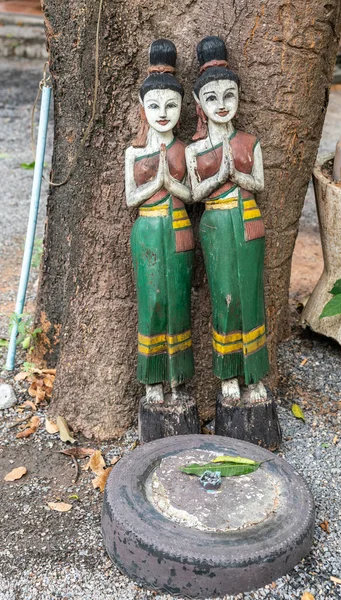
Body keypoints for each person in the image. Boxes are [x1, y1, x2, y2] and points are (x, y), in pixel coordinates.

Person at [185, 36, 268, 403]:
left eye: (229, 96)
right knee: (227, 298)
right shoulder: (195, 149)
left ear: (238, 97)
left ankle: (254, 374)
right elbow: (194, 194)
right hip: (216, 224)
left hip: (248, 220)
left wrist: (237, 174)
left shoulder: (249, 142)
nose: (222, 105)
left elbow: (258, 183)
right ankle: (227, 375)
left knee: (251, 296)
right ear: (199, 103)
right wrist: (221, 176)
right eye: (213, 97)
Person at [125, 39, 194, 405]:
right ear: (143, 108)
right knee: (152, 301)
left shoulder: (185, 150)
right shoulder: (135, 152)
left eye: (170, 105)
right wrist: (159, 181)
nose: (162, 112)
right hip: (148, 229)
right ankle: (152, 379)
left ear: (183, 108)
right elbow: (131, 199)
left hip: (179, 227)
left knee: (178, 299)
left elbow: (193, 195)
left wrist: (174, 183)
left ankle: (178, 377)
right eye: (154, 105)